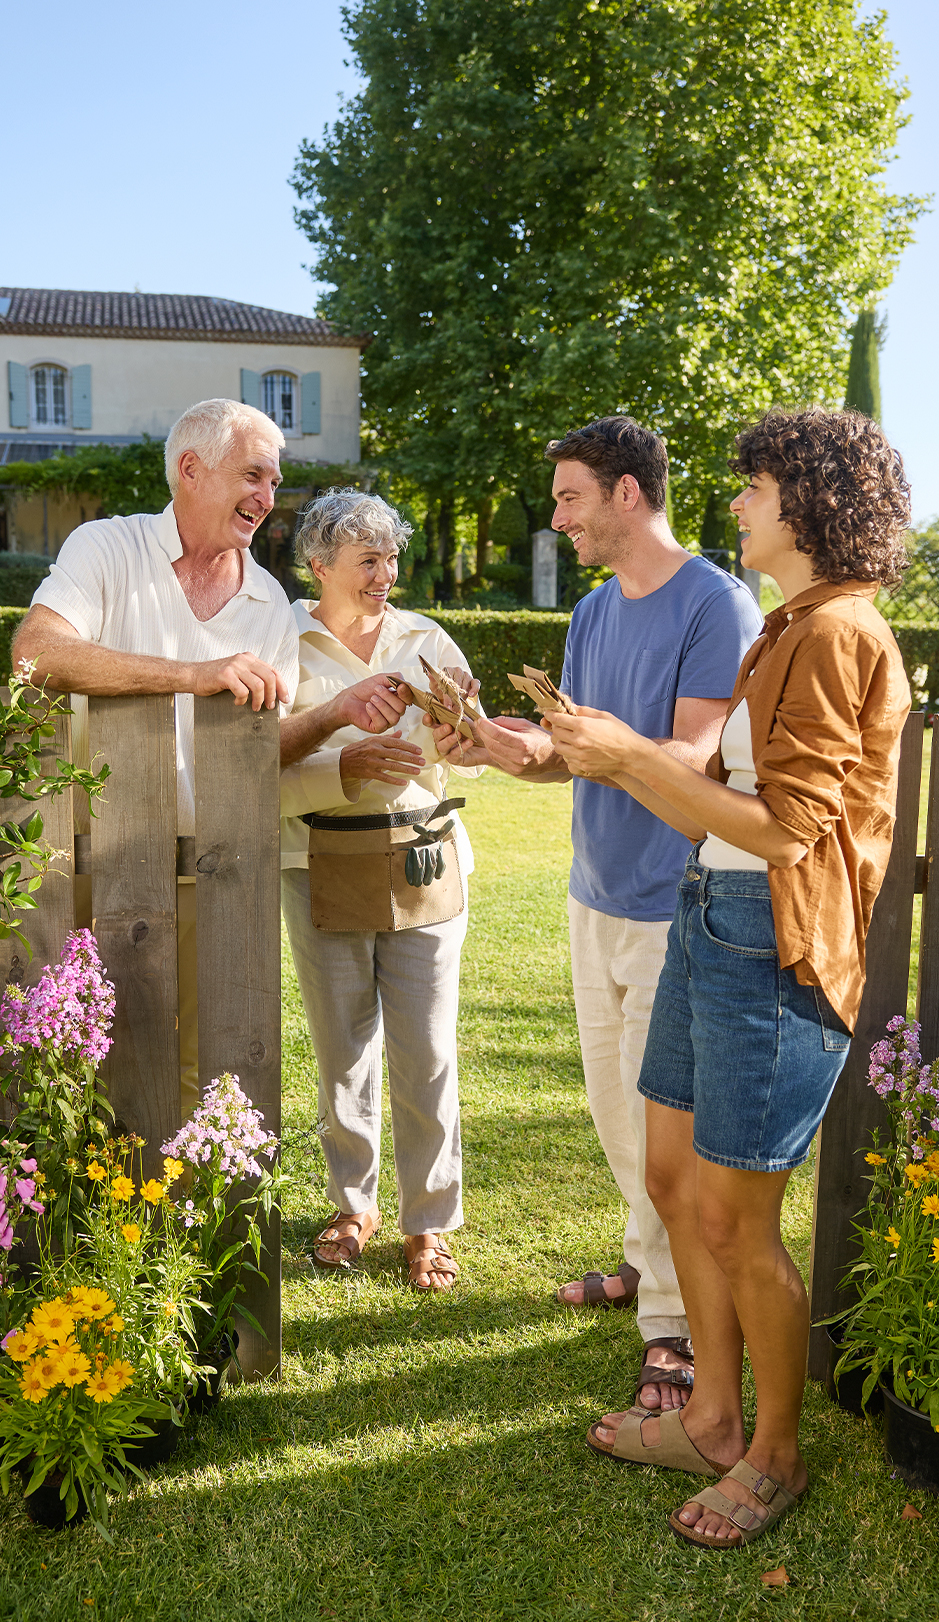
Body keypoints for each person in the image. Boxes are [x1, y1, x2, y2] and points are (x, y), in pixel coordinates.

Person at [545, 407, 911, 1548]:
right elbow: (714, 796)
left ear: (807, 503)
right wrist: (606, 754)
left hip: (774, 938)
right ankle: (710, 1413)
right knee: (668, 1177)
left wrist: (630, 756)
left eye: (754, 486)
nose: (739, 503)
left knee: (735, 1221)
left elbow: (790, 831)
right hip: (708, 913)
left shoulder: (842, 634)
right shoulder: (791, 624)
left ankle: (776, 1452)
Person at [433, 416, 762, 1404]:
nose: (557, 515)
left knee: (668, 1128)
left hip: (680, 906)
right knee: (619, 1117)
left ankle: (676, 1322)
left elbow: (695, 761)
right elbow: (568, 755)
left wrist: (592, 743)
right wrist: (500, 744)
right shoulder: (591, 614)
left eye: (571, 495)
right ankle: (645, 1264)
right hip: (595, 894)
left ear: (628, 492)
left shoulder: (718, 605)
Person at [12, 399, 410, 1111]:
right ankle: (90, 1213)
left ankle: (182, 1215)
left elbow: (262, 752)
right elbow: (35, 654)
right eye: (252, 475)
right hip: (84, 861)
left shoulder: (267, 601)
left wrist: (329, 716)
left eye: (274, 479)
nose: (267, 497)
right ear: (190, 469)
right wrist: (189, 675)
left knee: (199, 1059)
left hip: (210, 868)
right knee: (76, 1054)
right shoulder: (107, 547)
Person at [279, 488, 484, 1291]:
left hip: (425, 862)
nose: (385, 574)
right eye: (368, 560)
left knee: (427, 1049)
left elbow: (470, 755)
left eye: (391, 558)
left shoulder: (425, 637)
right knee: (340, 1049)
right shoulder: (281, 639)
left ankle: (428, 1222)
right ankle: (351, 1205)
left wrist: (459, 732)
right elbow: (259, 760)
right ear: (320, 563)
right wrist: (343, 764)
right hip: (317, 862)